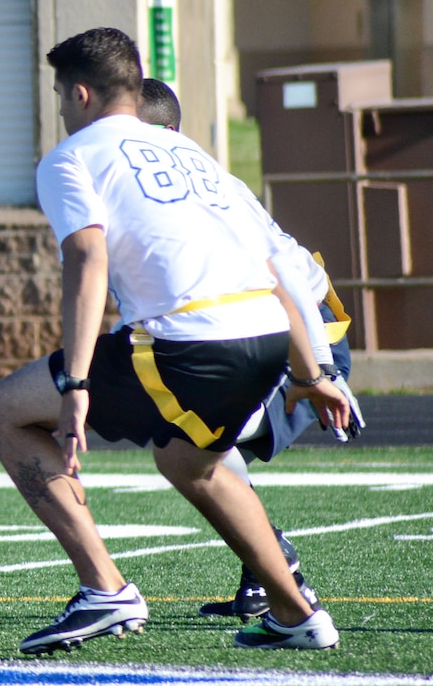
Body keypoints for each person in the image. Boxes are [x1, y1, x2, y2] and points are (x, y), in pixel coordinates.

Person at [0, 29, 352, 654]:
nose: (62, 111)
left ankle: (105, 590)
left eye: (60, 97)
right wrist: (311, 370)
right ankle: (297, 615)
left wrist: (75, 385)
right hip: (268, 331)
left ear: (79, 93)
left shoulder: (71, 157)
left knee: (4, 411)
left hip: (190, 340)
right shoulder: (194, 155)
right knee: (187, 460)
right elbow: (271, 269)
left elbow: (86, 259)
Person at [135, 78, 363, 620]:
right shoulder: (152, 186)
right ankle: (265, 569)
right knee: (184, 426)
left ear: (164, 133)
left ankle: (274, 565)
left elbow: (281, 274)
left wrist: (318, 369)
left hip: (302, 337)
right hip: (265, 331)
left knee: (190, 433)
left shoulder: (199, 186)